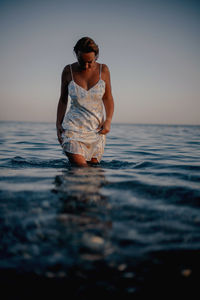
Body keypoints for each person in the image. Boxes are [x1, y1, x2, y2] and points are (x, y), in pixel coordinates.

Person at [56, 37, 114, 167]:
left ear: (96, 57)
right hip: (72, 129)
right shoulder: (68, 71)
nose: (86, 66)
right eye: (82, 62)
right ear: (76, 54)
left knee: (93, 176)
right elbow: (63, 99)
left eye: (90, 62)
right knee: (81, 169)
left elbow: (108, 98)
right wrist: (58, 124)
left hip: (96, 130)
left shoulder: (103, 70)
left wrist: (108, 120)